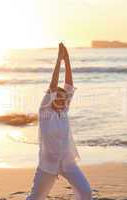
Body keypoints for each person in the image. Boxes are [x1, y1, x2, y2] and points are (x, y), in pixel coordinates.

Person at [26, 43, 93, 200]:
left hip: (67, 162)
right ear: (52, 99)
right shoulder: (45, 112)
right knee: (36, 197)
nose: (63, 100)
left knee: (86, 192)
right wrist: (58, 60)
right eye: (59, 97)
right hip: (47, 166)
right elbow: (53, 87)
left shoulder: (63, 111)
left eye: (65, 98)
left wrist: (67, 59)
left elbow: (69, 86)